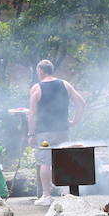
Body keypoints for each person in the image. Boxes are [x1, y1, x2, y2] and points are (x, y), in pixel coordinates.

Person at [27, 59, 86, 205]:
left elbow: (32, 114)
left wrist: (31, 134)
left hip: (44, 133)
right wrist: (74, 121)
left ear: (40, 71)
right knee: (63, 160)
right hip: (62, 131)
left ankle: (46, 196)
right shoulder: (65, 84)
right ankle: (67, 193)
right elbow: (81, 103)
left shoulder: (36, 88)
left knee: (45, 162)